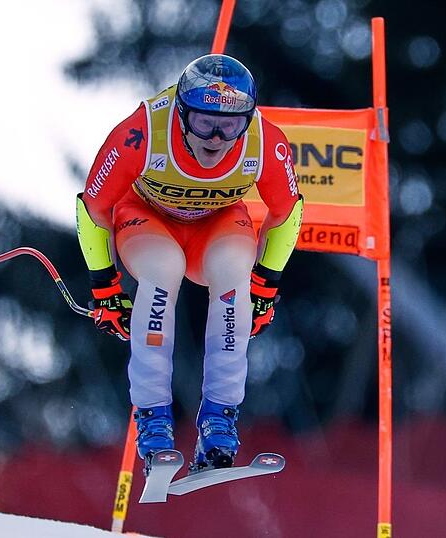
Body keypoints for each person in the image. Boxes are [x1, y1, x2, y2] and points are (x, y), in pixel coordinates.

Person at [75, 54, 302, 471]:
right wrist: (105, 287)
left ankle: (220, 419)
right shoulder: (142, 131)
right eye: (203, 123)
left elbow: (287, 212)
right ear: (181, 114)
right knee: (163, 270)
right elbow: (94, 206)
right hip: (146, 219)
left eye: (230, 126)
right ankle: (153, 420)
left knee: (236, 274)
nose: (216, 138)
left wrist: (266, 287)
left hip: (214, 224)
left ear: (247, 121)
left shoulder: (266, 143)